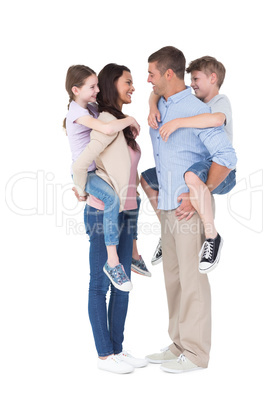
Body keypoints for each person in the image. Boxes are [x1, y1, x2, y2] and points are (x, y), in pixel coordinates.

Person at [145, 46, 237, 373]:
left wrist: (201, 192)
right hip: (168, 206)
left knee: (192, 280)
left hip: (189, 209)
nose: (147, 80)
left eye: (152, 74)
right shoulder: (161, 106)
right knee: (173, 279)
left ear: (169, 74)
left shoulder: (197, 110)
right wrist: (152, 102)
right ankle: (178, 344)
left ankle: (196, 355)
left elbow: (227, 157)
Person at [72, 63, 148, 373]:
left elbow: (126, 170)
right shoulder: (104, 120)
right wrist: (80, 187)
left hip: (128, 210)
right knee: (99, 285)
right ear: (111, 83)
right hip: (104, 213)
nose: (132, 87)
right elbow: (81, 162)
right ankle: (105, 355)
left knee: (123, 284)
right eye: (128, 82)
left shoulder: (119, 122)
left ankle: (117, 348)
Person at [142, 55, 236, 273]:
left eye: (196, 79)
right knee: (147, 179)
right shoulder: (196, 102)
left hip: (220, 169)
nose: (191, 84)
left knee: (191, 177)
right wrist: (152, 106)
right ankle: (165, 232)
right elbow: (155, 91)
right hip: (198, 167)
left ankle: (213, 237)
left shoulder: (220, 102)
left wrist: (177, 122)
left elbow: (216, 120)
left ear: (213, 78)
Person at [64, 65, 150, 290]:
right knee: (111, 198)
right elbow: (108, 130)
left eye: (98, 86)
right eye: (92, 87)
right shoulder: (78, 113)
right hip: (85, 173)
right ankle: (113, 262)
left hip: (94, 174)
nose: (97, 91)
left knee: (135, 198)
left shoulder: (91, 108)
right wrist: (81, 190)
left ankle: (132, 253)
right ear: (75, 90)